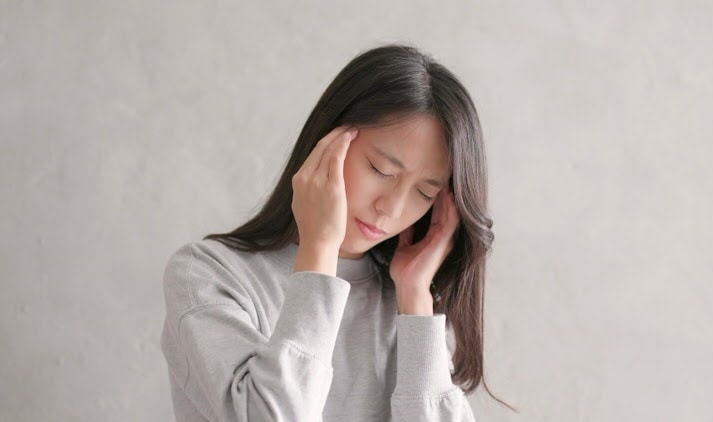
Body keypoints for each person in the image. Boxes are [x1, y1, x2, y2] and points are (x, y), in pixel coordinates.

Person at [160, 44, 506, 421]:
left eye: (424, 193)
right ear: (328, 139)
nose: (391, 208)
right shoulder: (208, 276)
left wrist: (417, 302)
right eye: (381, 170)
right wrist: (319, 252)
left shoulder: (407, 306)